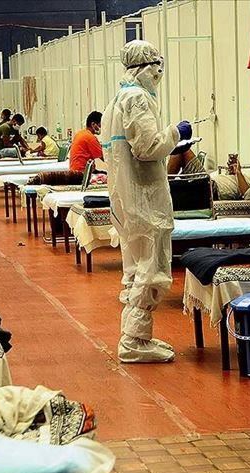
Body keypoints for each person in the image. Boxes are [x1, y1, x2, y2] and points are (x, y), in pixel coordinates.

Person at [100, 39, 192, 364]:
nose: (158, 74)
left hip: (126, 197)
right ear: (147, 67)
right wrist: (176, 133)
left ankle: (136, 336)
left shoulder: (117, 100)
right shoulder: (137, 98)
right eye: (156, 67)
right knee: (152, 267)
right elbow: (148, 148)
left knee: (137, 266)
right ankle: (133, 341)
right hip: (144, 196)